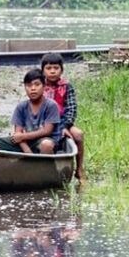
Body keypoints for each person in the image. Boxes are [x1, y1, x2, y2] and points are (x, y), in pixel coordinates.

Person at [0, 68, 61, 154]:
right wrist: (27, 152)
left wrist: (23, 136)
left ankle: (43, 163)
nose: (33, 88)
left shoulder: (50, 105)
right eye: (29, 85)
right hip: (24, 142)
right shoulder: (21, 106)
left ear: (44, 86)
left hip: (43, 141)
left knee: (46, 145)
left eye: (37, 84)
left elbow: (47, 131)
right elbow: (18, 134)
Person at [40, 52, 86, 182]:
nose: (52, 71)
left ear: (62, 70)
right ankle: (45, 170)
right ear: (43, 71)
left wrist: (66, 126)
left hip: (63, 122)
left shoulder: (66, 86)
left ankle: (79, 169)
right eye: (48, 68)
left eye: (56, 68)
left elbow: (71, 108)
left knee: (78, 135)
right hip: (44, 123)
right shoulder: (40, 86)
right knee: (43, 142)